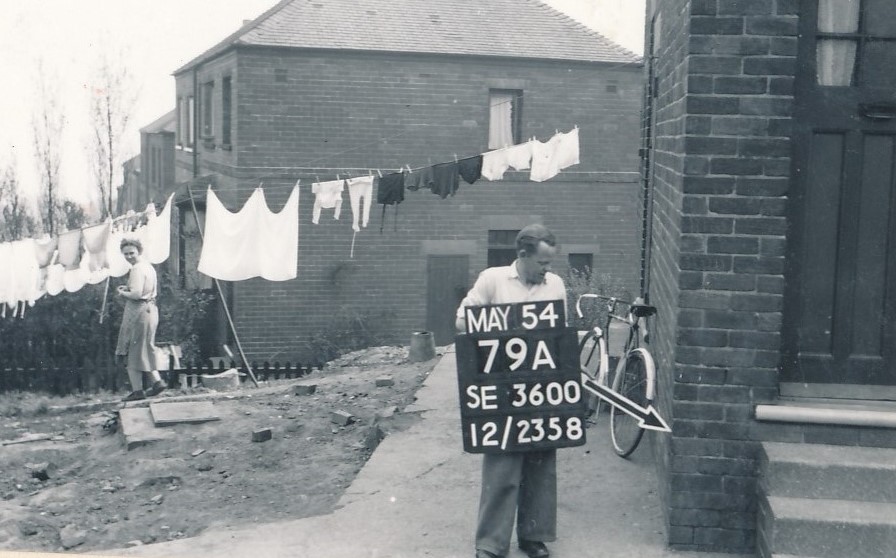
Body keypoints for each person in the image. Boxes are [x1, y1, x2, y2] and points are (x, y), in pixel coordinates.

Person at [455, 224, 567, 558]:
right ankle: (490, 544)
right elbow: (462, 320)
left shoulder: (556, 285)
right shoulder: (492, 279)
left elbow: (559, 334)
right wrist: (507, 326)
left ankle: (534, 535)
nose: (547, 270)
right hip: (502, 389)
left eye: (549, 264)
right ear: (522, 255)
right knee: (502, 465)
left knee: (541, 463)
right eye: (542, 263)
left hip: (542, 388)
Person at [115, 238, 166, 402]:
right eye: (126, 254)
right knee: (144, 348)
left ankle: (137, 391)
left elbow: (136, 294)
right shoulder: (148, 267)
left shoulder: (137, 269)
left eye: (132, 253)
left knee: (133, 351)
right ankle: (157, 382)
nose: (129, 256)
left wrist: (122, 292)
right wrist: (128, 289)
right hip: (151, 310)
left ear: (139, 251)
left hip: (140, 312)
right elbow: (143, 290)